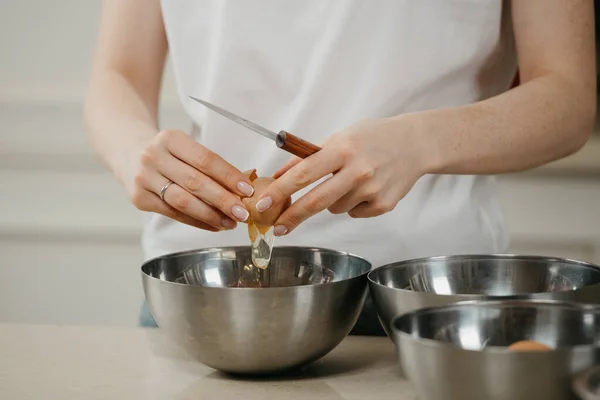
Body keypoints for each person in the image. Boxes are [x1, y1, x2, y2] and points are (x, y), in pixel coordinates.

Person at [85, 0, 596, 333]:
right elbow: (117, 73)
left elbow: (569, 100)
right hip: (204, 299)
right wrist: (134, 149)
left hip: (425, 302)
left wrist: (420, 141)